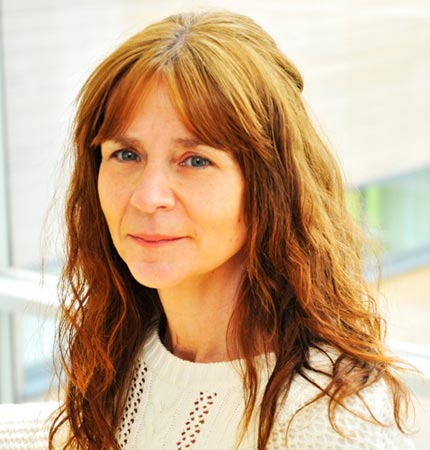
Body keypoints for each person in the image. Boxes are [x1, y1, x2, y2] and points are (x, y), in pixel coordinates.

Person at [47, 10, 414, 450]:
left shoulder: (332, 421)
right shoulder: (127, 351)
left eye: (195, 160)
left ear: (268, 184)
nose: (148, 197)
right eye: (126, 154)